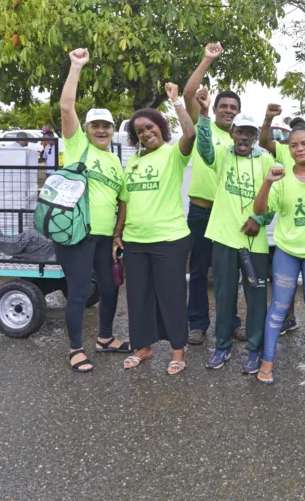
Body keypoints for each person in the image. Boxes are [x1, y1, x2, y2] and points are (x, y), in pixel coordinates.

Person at [56, 48, 130, 373]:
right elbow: (65, 105)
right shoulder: (77, 146)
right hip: (77, 234)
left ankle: (105, 338)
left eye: (107, 126)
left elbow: (123, 199)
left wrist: (117, 233)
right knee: (81, 291)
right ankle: (75, 348)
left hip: (104, 237)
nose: (101, 130)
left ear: (113, 130)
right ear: (86, 129)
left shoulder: (115, 160)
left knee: (111, 288)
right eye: (96, 125)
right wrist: (76, 66)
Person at [117, 83, 195, 375]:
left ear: (161, 127)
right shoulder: (133, 162)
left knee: (171, 295)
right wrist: (117, 233)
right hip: (135, 241)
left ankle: (178, 351)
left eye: (150, 127)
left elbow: (190, 134)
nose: (146, 134)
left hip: (169, 239)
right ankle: (143, 347)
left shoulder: (174, 154)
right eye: (140, 131)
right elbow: (125, 199)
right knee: (138, 297)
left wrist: (176, 103)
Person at [196, 95, 274, 372]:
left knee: (255, 296)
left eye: (249, 133)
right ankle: (222, 347)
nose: (244, 137)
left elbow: (274, 201)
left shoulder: (266, 160)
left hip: (255, 240)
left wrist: (258, 217)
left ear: (254, 137)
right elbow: (203, 147)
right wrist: (204, 114)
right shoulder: (222, 155)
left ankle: (254, 350)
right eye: (240, 131)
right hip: (224, 236)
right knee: (224, 294)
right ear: (232, 134)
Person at [253, 123, 305, 384]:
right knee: (279, 305)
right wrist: (267, 182)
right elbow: (261, 210)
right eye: (294, 144)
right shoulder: (281, 177)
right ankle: (267, 361)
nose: (300, 148)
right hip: (287, 252)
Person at [182, 43, 245, 346]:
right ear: (215, 108)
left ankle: (231, 322)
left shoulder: (240, 139)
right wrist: (207, 59)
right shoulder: (203, 124)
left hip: (228, 213)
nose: (228, 111)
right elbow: (187, 93)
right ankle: (196, 323)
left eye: (234, 108)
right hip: (201, 210)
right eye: (225, 106)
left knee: (227, 273)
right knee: (198, 270)